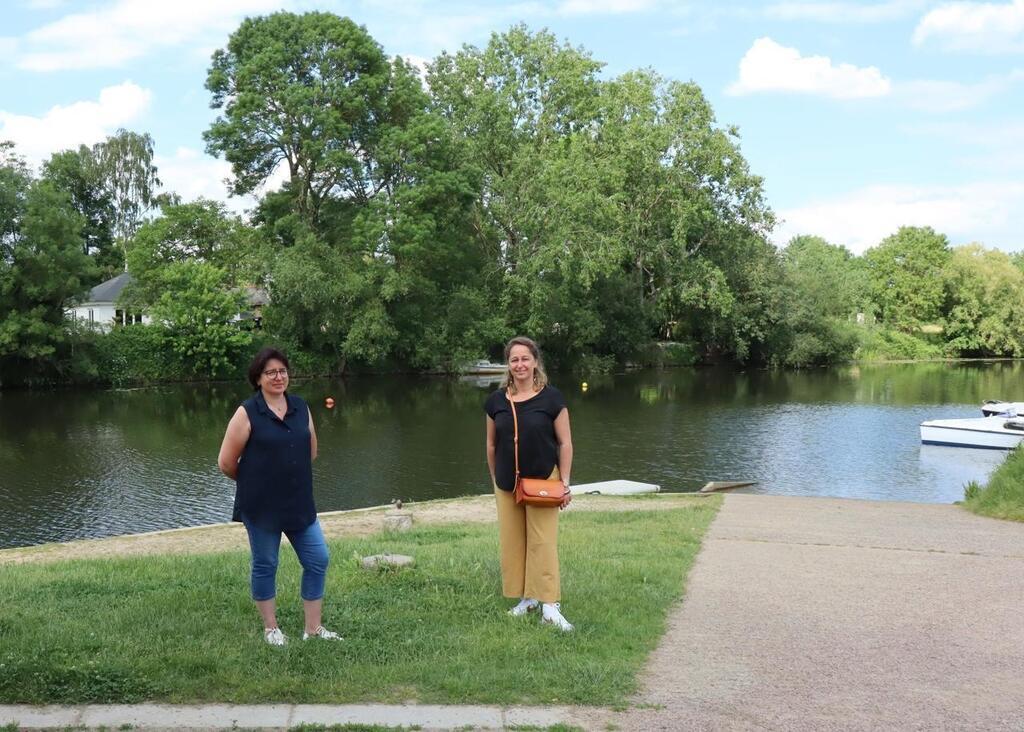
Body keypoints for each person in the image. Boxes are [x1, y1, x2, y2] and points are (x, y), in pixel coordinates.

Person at [218, 347, 341, 646]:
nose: (278, 377)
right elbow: (226, 462)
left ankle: (312, 630)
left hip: (299, 502)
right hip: (261, 506)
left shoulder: (301, 407)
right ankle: (271, 629)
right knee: (266, 564)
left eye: (282, 371)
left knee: (318, 559)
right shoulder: (247, 412)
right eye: (270, 372)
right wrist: (256, 483)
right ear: (258, 378)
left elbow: (310, 449)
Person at [484, 336, 575, 632]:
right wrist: (495, 478)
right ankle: (528, 599)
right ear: (508, 365)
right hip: (507, 483)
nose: (520, 364)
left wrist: (564, 482)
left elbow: (565, 443)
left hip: (543, 480)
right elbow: (491, 445)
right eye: (514, 360)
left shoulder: (552, 398)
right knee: (514, 542)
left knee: (543, 542)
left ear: (535, 362)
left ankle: (550, 604)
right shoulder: (496, 401)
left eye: (525, 358)